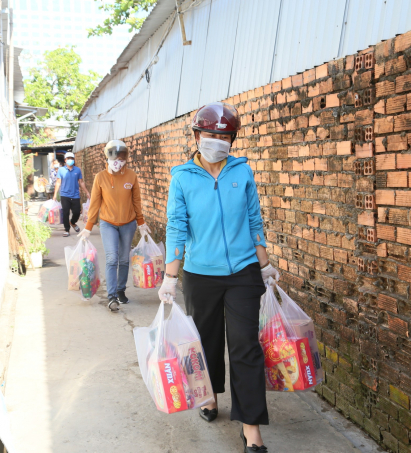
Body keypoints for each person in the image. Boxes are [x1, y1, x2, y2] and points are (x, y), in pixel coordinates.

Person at [158, 102, 278, 452]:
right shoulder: (182, 177)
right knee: (206, 341)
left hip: (243, 271)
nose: (216, 141)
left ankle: (252, 428)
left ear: (232, 140)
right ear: (197, 136)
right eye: (210, 134)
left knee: (246, 347)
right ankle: (208, 396)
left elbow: (255, 222)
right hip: (200, 274)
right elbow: (177, 226)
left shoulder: (243, 173)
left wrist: (265, 263)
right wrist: (170, 275)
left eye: (224, 136)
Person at [77, 140, 150, 312]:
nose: (118, 161)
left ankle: (121, 290)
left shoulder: (131, 176)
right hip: (108, 224)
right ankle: (111, 296)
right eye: (115, 157)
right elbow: (94, 203)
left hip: (128, 223)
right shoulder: (100, 177)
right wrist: (88, 227)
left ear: (126, 159)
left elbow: (136, 201)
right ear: (107, 157)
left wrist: (141, 222)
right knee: (112, 258)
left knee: (124, 259)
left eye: (122, 157)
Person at [53, 152, 90, 237]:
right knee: (65, 212)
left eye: (71, 158)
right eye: (68, 158)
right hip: (64, 195)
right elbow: (58, 182)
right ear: (65, 160)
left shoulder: (77, 170)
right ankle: (67, 229)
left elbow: (81, 182)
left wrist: (87, 192)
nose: (70, 160)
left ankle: (72, 222)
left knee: (77, 212)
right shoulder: (61, 170)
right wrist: (55, 195)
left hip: (75, 195)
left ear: (74, 160)